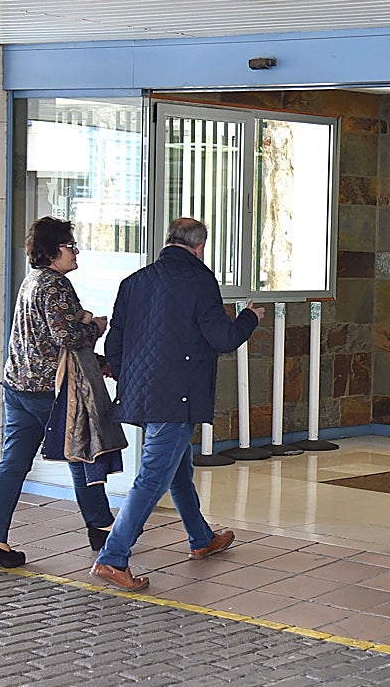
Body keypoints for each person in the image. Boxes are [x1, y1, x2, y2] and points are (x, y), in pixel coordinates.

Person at [89, 217, 265, 591]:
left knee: (178, 468)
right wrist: (250, 317)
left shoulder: (133, 282)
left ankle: (201, 538)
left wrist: (130, 379)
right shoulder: (200, 281)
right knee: (154, 476)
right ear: (199, 247)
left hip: (144, 394)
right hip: (178, 397)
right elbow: (221, 337)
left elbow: (114, 346)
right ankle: (113, 557)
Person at [0, 217, 116, 571]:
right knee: (81, 454)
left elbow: (43, 340)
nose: (76, 251)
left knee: (12, 464)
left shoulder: (31, 282)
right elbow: (66, 338)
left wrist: (94, 359)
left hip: (18, 387)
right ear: (53, 251)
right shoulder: (55, 285)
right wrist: (96, 326)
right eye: (70, 245)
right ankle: (101, 529)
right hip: (50, 392)